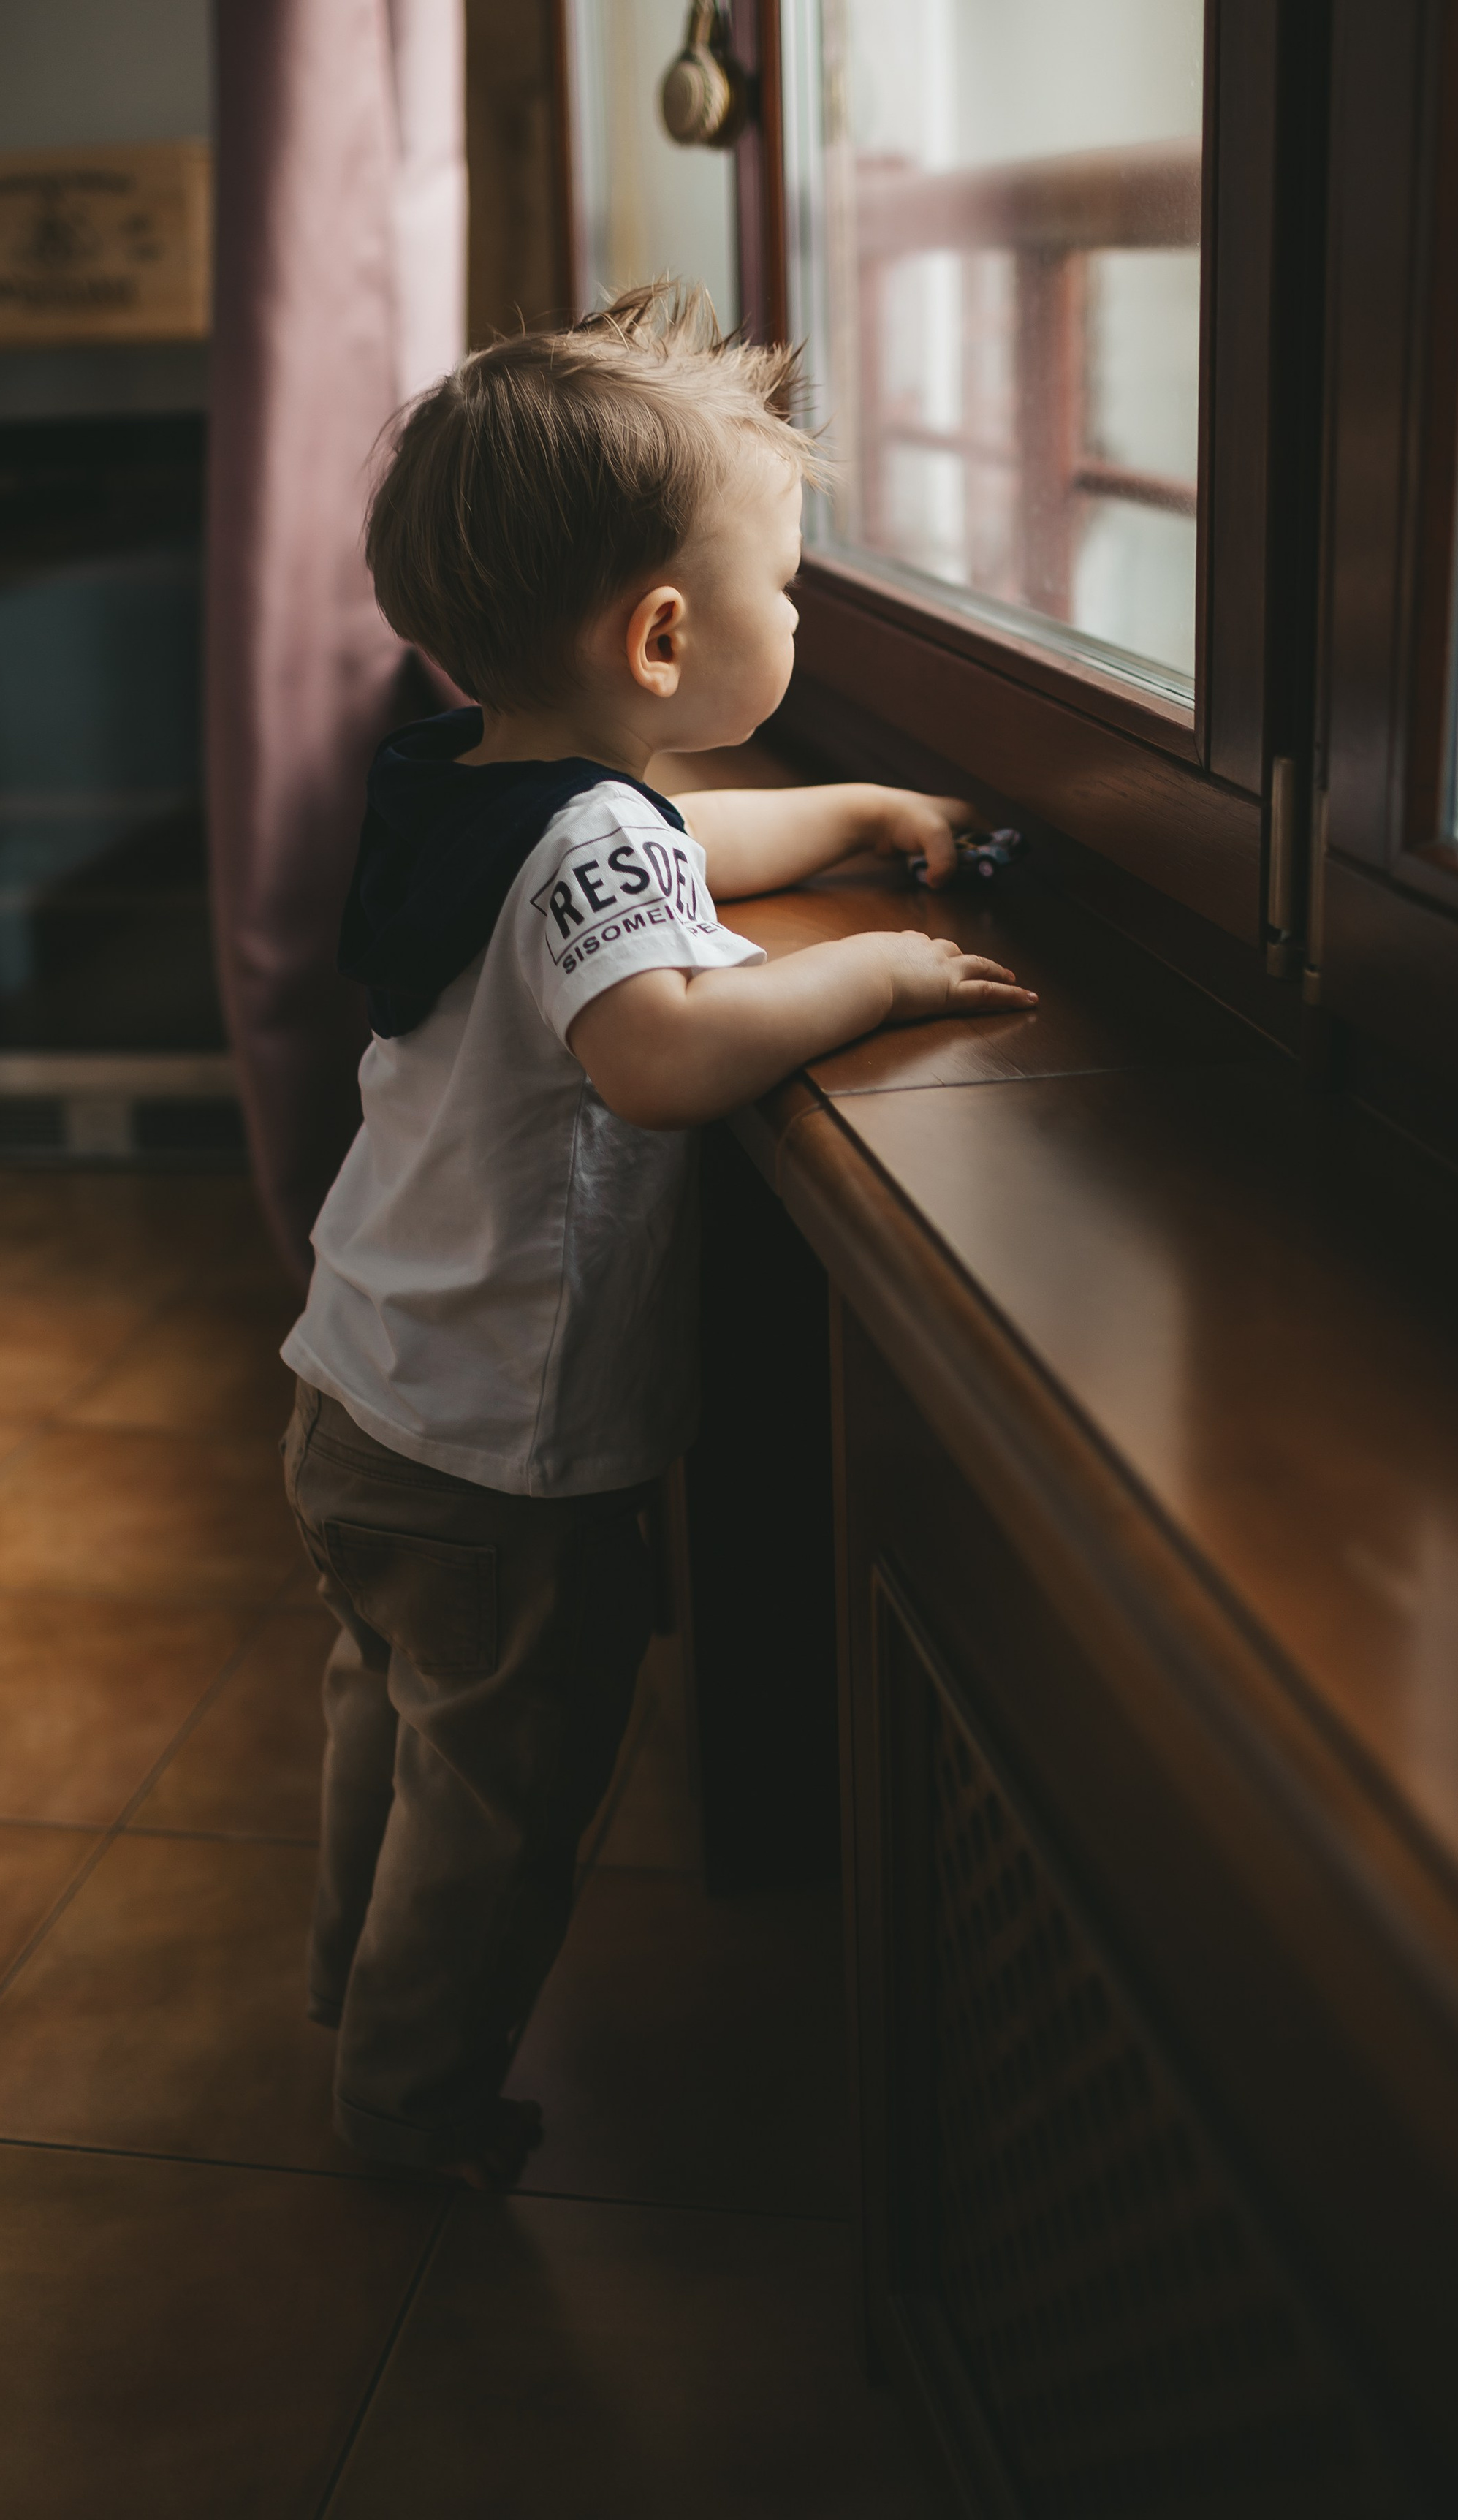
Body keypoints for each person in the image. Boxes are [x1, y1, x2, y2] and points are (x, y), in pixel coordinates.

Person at [278, 283, 1036, 2189]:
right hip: (500, 1460)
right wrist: (869, 970)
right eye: (793, 591)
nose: (804, 619)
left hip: (363, 1388)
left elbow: (658, 857)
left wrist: (857, 809)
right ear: (668, 631)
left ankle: (344, 1979)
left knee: (384, 1696)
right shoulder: (597, 844)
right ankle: (411, 2098)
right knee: (502, 1783)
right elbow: (663, 1050)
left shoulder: (463, 777)